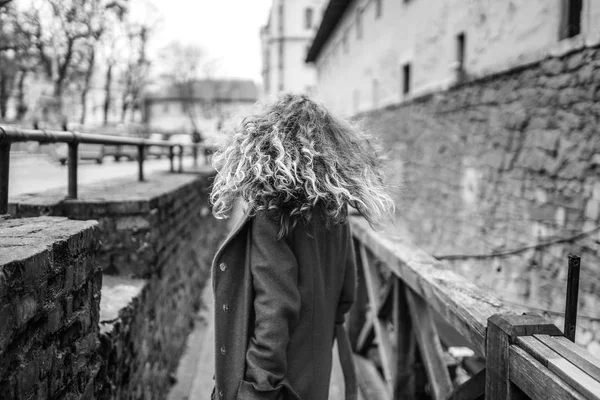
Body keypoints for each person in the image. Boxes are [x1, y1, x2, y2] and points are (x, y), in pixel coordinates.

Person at [209, 93, 395, 400]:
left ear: (264, 142)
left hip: (274, 387)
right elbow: (347, 294)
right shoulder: (334, 209)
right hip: (313, 379)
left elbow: (275, 307)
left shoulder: (271, 211)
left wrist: (256, 388)